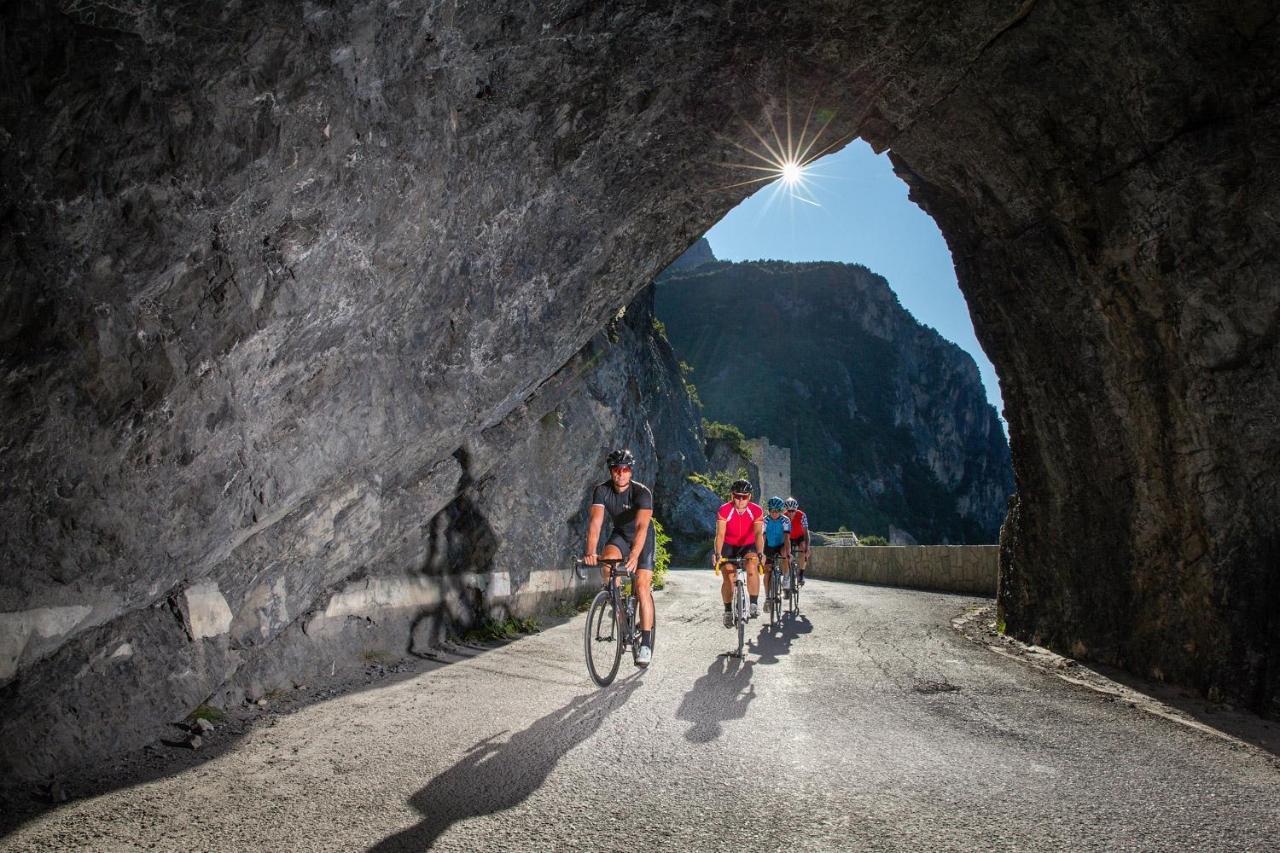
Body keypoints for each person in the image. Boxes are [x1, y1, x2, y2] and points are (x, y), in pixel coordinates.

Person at [583, 448, 655, 665]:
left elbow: (642, 527)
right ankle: (617, 601)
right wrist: (590, 552)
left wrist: (634, 556)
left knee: (642, 586)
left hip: (643, 540)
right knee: (607, 563)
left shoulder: (642, 493)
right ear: (611, 471)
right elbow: (595, 524)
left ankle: (645, 643)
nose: (620, 474)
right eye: (616, 469)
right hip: (621, 535)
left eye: (625, 469)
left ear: (630, 471)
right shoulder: (602, 491)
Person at [712, 478, 765, 626]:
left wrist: (760, 553)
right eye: (737, 496)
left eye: (744, 496)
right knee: (728, 577)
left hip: (748, 545)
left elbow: (758, 535)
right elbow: (720, 535)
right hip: (729, 545)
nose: (740, 500)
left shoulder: (756, 510)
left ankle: (753, 603)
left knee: (752, 567)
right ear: (732, 496)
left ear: (750, 497)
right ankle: (728, 611)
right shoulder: (724, 510)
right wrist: (717, 554)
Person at [761, 496, 792, 606]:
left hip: (781, 545)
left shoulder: (785, 520)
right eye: (772, 511)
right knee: (767, 572)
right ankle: (767, 597)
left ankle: (786, 579)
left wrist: (788, 553)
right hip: (768, 546)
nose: (774, 513)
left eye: (777, 511)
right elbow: (762, 538)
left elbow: (787, 538)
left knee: (784, 554)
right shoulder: (765, 521)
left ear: (781, 511)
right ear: (768, 510)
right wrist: (761, 554)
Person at [784, 497, 810, 586]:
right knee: (785, 553)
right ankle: (787, 575)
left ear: (796, 509)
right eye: (789, 511)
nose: (791, 513)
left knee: (803, 549)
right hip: (789, 537)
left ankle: (801, 574)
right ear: (786, 510)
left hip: (800, 536)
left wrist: (807, 547)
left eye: (793, 511)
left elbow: (806, 533)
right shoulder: (783, 516)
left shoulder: (802, 515)